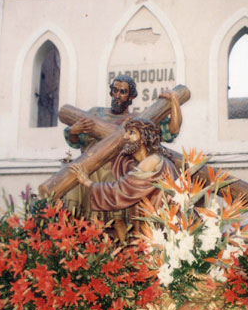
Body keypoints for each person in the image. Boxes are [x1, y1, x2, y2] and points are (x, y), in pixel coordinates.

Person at [63, 75, 181, 236]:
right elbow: (76, 142)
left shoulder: (137, 120)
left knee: (113, 174)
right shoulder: (96, 114)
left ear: (131, 96)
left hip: (118, 171)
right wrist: (73, 132)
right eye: (115, 90)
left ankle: (120, 236)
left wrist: (174, 101)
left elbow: (171, 131)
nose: (117, 95)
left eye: (123, 92)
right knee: (75, 180)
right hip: (90, 165)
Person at [69, 118, 179, 241]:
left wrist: (87, 182)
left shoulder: (152, 161)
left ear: (143, 138)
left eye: (131, 133)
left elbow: (121, 190)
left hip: (160, 228)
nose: (125, 137)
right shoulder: (140, 162)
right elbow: (124, 166)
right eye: (126, 132)